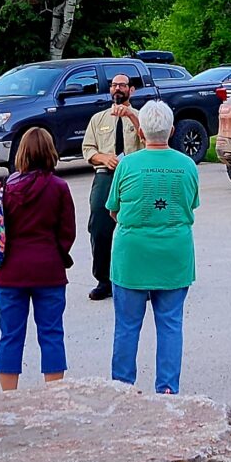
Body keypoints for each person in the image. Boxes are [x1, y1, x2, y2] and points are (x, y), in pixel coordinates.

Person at [106, 100, 199, 394]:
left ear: (141, 132)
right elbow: (191, 204)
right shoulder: (187, 165)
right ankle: (168, 390)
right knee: (171, 325)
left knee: (127, 326)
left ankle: (122, 388)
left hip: (132, 256)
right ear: (171, 131)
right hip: (174, 254)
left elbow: (113, 209)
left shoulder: (127, 164)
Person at [0, 127, 77, 391]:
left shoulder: (5, 187)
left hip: (10, 271)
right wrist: (57, 253)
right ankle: (53, 395)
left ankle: (8, 397)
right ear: (50, 152)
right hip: (48, 270)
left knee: (11, 336)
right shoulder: (60, 188)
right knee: (51, 333)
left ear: (22, 153)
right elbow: (68, 232)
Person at [80, 73, 144, 301]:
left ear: (131, 90)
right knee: (99, 227)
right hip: (106, 175)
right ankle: (103, 280)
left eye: (122, 85)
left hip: (134, 177)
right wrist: (103, 158)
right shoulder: (98, 119)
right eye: (114, 85)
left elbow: (149, 141)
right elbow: (87, 149)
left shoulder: (141, 116)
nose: (117, 89)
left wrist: (132, 117)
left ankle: (139, 281)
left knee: (137, 228)